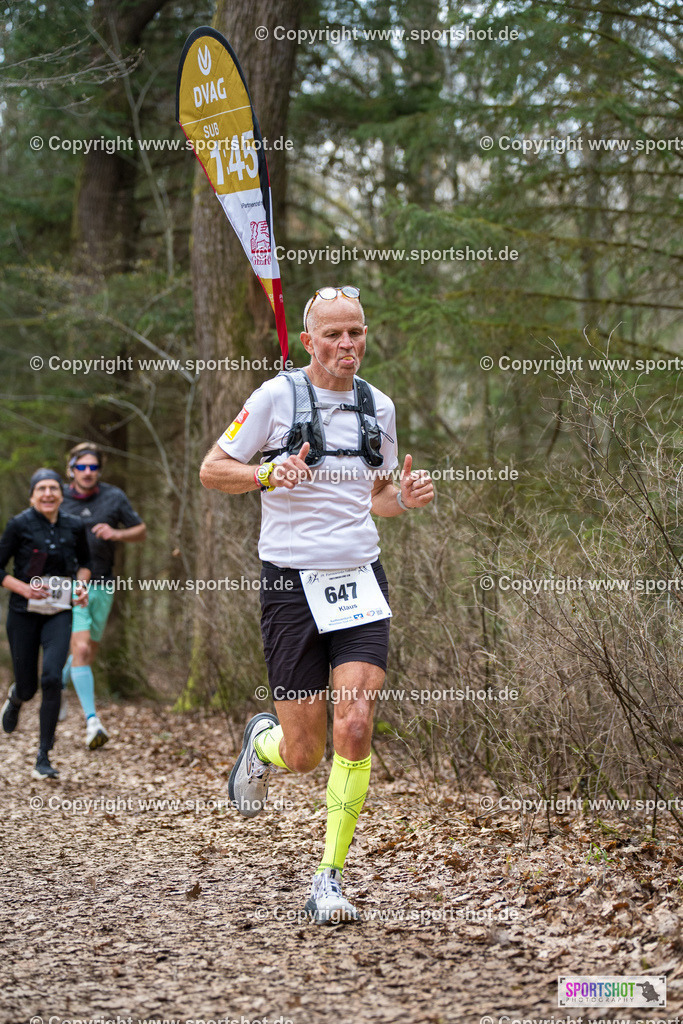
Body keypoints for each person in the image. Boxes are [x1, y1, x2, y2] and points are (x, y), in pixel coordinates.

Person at [200, 285, 434, 924]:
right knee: (303, 754)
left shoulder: (377, 406)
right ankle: (262, 741)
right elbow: (212, 469)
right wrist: (267, 473)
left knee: (354, 726)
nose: (347, 345)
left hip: (360, 576)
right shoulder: (274, 397)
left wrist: (405, 497)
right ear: (308, 341)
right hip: (290, 584)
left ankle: (328, 877)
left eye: (355, 332)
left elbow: (377, 495)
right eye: (333, 335)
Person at [0, 469, 91, 779]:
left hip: (59, 612)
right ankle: (16, 698)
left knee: (52, 678)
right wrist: (25, 588)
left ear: (61, 493)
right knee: (28, 687)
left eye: (53, 487)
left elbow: (85, 565)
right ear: (32, 495)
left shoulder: (75, 526)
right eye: (42, 489)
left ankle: (44, 755)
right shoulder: (19, 525)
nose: (49, 493)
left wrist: (81, 587)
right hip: (23, 614)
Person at [59, 443, 146, 749]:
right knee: (81, 649)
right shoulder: (58, 496)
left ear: (99, 470)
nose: (87, 472)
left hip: (103, 584)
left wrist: (116, 533)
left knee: (87, 652)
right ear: (71, 469)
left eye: (93, 467)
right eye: (81, 467)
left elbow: (141, 531)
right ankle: (92, 722)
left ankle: (54, 683)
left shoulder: (113, 497)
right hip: (69, 584)